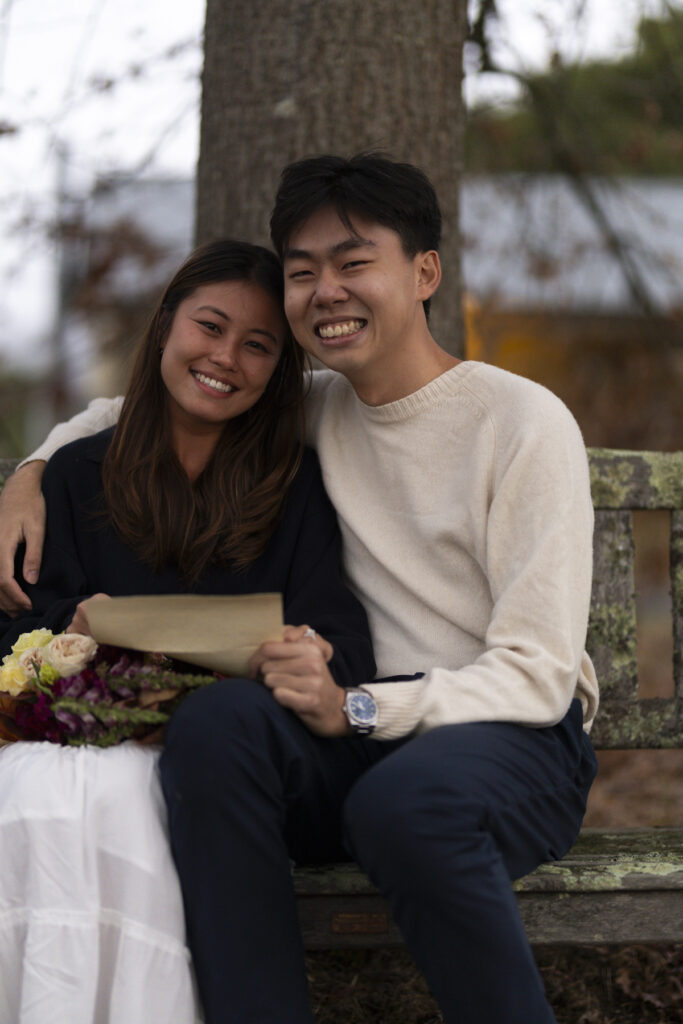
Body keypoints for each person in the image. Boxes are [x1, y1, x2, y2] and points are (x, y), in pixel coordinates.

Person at [0, 154, 599, 1024]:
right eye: (303, 271)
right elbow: (141, 404)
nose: (326, 291)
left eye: (354, 264)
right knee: (215, 723)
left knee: (406, 807)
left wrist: (358, 708)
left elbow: (539, 673)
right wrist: (31, 469)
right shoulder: (318, 403)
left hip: (502, 737)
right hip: (348, 733)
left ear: (423, 271)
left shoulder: (519, 420)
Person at [0, 238, 375, 1024]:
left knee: (126, 793)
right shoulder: (73, 475)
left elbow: (337, 635)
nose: (225, 357)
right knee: (37, 786)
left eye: (257, 345)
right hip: (76, 736)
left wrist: (307, 656)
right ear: (166, 327)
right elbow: (19, 631)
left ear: (279, 369)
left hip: (214, 760)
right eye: (209, 327)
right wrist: (65, 636)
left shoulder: (296, 485)